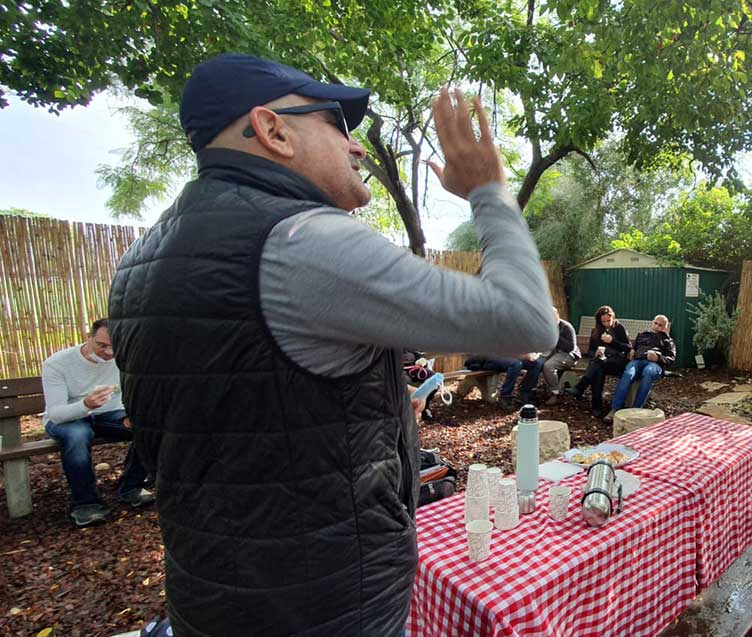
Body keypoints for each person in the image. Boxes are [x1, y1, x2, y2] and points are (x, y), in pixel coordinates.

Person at [107, 54, 557, 636]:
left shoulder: (141, 260)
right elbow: (528, 321)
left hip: (208, 593)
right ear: (272, 130)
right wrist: (489, 191)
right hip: (329, 605)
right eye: (335, 123)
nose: (357, 147)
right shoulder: (302, 240)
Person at [40, 318, 153, 527]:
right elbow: (56, 414)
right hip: (68, 418)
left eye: (114, 347)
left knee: (147, 429)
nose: (109, 352)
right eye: (102, 345)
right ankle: (86, 504)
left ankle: (131, 487)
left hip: (108, 414)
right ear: (89, 337)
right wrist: (85, 404)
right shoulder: (58, 363)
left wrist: (130, 414)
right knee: (77, 436)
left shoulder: (124, 359)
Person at [566, 305, 632, 418]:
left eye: (608, 320)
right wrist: (596, 353)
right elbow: (590, 351)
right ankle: (596, 406)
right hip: (602, 362)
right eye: (603, 321)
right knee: (597, 368)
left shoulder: (619, 328)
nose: (606, 324)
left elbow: (628, 348)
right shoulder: (596, 331)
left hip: (618, 362)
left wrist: (612, 341)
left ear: (613, 317)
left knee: (596, 364)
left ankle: (582, 389)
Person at [605, 315, 675, 421]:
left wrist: (658, 357)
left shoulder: (668, 341)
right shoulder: (642, 334)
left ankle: (636, 410)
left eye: (660, 325)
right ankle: (615, 408)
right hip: (637, 361)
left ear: (665, 327)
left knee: (648, 372)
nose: (656, 326)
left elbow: (671, 359)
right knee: (628, 373)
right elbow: (632, 348)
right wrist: (631, 352)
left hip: (654, 365)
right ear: (652, 322)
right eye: (655, 323)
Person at [533, 306, 581, 405]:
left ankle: (555, 393)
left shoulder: (566, 327)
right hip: (551, 352)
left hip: (568, 354)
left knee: (548, 366)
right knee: (536, 363)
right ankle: (530, 390)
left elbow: (571, 347)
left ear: (557, 316)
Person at [464, 352, 542, 409]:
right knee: (515, 364)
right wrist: (525, 355)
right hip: (487, 358)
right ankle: (505, 397)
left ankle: (525, 393)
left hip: (506, 357)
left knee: (536, 364)